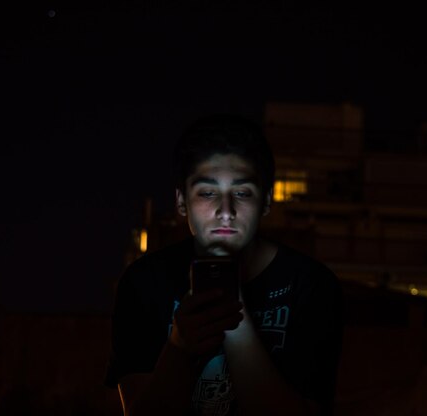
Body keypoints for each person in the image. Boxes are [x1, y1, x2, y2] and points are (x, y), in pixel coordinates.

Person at [105, 114, 343, 416]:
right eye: (207, 192)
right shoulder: (144, 283)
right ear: (181, 201)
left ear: (266, 201)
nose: (226, 211)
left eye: (242, 193)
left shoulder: (310, 285)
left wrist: (236, 322)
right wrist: (179, 347)